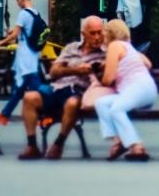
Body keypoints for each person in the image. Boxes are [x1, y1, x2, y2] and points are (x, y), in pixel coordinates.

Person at [17, 16, 106, 160]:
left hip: (79, 91)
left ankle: (58, 144)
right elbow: (53, 72)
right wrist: (75, 70)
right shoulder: (72, 48)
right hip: (57, 88)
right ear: (83, 34)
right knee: (29, 97)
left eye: (100, 32)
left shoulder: (106, 53)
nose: (97, 37)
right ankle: (32, 145)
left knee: (72, 103)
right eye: (93, 33)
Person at [93, 20, 157, 161]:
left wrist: (100, 77)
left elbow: (108, 79)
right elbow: (148, 64)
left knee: (116, 109)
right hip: (144, 89)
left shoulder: (115, 46)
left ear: (109, 33)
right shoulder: (129, 47)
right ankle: (118, 140)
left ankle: (136, 146)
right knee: (102, 103)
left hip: (137, 88)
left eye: (104, 32)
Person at [0, 0, 42, 126]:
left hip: (25, 56)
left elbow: (14, 35)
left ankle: (44, 115)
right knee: (21, 89)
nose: (17, 3)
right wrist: (14, 33)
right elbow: (22, 33)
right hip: (32, 53)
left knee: (35, 86)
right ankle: (5, 114)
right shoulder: (35, 13)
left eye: (17, 0)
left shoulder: (23, 14)